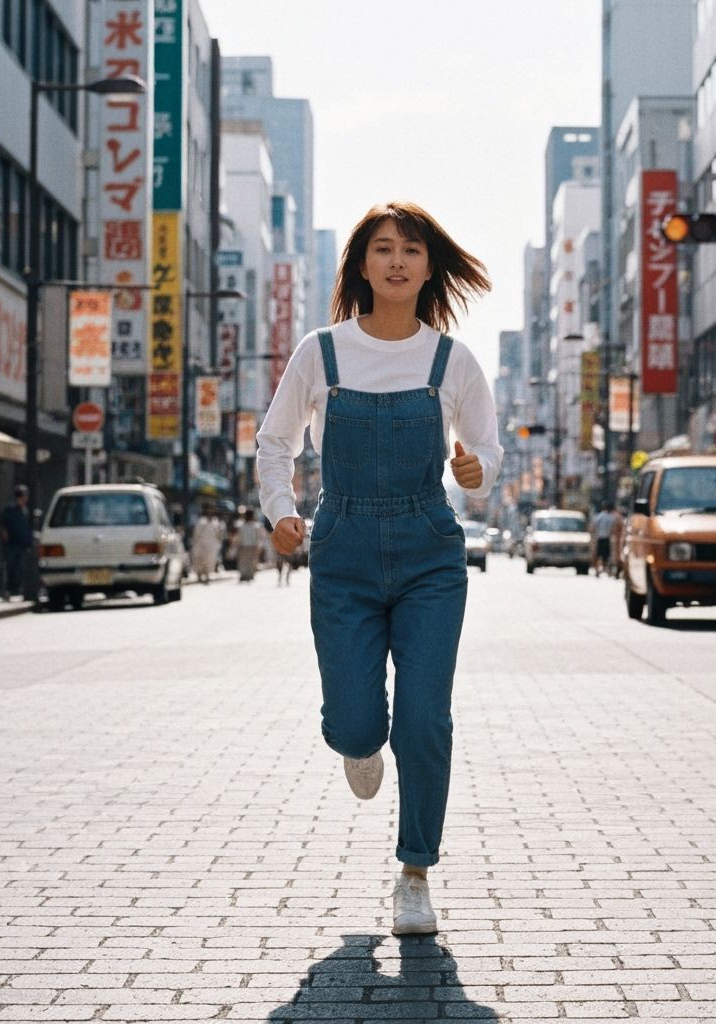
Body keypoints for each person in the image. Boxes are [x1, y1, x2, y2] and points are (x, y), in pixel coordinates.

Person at [257, 200, 501, 937]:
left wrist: (472, 466)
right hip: (344, 551)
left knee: (425, 721)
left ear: (430, 268)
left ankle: (415, 875)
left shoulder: (451, 360)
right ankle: (358, 746)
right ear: (362, 264)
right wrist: (279, 513)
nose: (398, 261)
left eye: (413, 251)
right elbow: (275, 443)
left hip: (430, 550)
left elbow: (488, 454)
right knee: (357, 725)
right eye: (384, 249)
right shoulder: (320, 352)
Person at [0, 484, 34, 601]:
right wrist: (6, 538)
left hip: (22, 544)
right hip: (12, 543)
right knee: (11, 568)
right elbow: (3, 524)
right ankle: (8, 590)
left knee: (21, 568)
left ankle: (20, 589)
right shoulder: (10, 509)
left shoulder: (26, 510)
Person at [190, 505, 223, 584]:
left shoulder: (216, 522)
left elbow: (219, 534)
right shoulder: (201, 521)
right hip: (201, 545)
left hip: (211, 546)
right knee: (200, 561)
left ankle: (207, 575)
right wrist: (195, 543)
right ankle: (200, 575)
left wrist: (218, 543)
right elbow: (196, 534)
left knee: (210, 561)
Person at [235, 508, 262, 582]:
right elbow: (239, 536)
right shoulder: (241, 525)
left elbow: (258, 537)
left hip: (251, 546)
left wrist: (258, 546)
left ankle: (249, 575)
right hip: (244, 546)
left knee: (251, 561)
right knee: (244, 561)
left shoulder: (256, 525)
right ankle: (244, 575)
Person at [592, 503, 615, 577]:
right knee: (607, 555)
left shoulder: (598, 517)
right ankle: (606, 570)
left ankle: (597, 570)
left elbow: (594, 527)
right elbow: (612, 528)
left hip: (599, 538)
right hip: (606, 538)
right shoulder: (610, 517)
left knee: (598, 555)